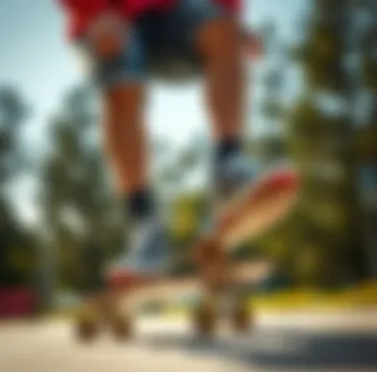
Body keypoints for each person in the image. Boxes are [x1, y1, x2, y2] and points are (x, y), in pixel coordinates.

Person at [57, 0, 262, 278]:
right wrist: (93, 12)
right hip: (104, 12)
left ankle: (228, 167)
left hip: (169, 10)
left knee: (223, 29)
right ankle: (144, 224)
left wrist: (230, 17)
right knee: (121, 78)